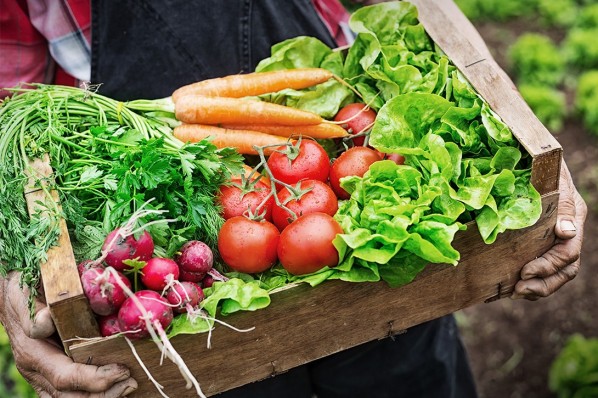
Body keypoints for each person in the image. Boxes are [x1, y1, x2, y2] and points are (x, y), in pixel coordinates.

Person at [0, 0, 588, 397]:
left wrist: (523, 132)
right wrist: (14, 275)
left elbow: (426, 9)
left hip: (340, 134)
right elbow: (9, 106)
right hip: (139, 214)